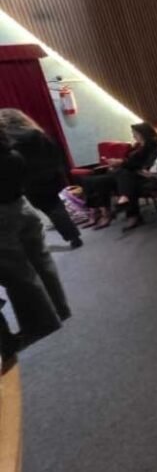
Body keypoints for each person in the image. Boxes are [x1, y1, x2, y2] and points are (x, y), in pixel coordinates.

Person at [0, 127, 71, 346]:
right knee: (42, 261)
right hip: (22, 206)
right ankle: (60, 310)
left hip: (2, 215)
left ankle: (42, 324)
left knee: (18, 274)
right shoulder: (12, 152)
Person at [0, 110, 81, 250]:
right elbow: (55, 153)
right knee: (55, 207)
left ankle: (68, 236)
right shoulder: (37, 133)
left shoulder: (8, 140)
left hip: (29, 181)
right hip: (50, 176)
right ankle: (73, 236)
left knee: (46, 210)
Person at [78, 123, 157, 229]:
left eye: (135, 133)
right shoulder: (137, 146)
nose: (134, 136)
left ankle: (129, 211)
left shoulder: (151, 145)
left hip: (139, 174)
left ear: (143, 133)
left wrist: (120, 163)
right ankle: (98, 211)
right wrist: (117, 163)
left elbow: (142, 163)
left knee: (124, 177)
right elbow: (127, 160)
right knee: (89, 180)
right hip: (124, 172)